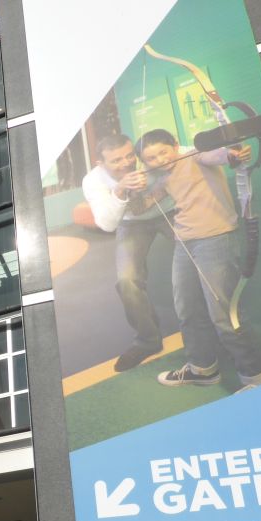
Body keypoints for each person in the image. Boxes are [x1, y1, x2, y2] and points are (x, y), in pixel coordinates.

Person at [135, 129, 261, 392]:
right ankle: (203, 369)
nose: (160, 160)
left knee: (224, 313)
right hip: (184, 243)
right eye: (151, 158)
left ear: (175, 145)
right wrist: (130, 190)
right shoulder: (164, 176)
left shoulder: (194, 156)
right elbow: (142, 206)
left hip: (215, 238)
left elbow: (218, 155)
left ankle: (256, 377)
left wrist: (233, 154)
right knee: (187, 309)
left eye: (164, 151)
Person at [81, 134, 174, 372]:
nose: (126, 163)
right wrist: (120, 190)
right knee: (127, 280)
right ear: (100, 164)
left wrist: (227, 154)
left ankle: (232, 328)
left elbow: (185, 150)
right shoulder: (93, 181)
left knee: (203, 258)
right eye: (116, 161)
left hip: (170, 212)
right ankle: (148, 340)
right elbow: (107, 225)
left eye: (129, 155)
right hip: (130, 223)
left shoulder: (147, 154)